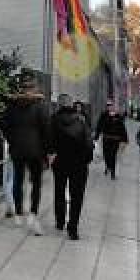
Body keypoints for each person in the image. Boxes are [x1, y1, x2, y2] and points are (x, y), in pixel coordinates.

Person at [1, 83, 49, 234]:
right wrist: (47, 150)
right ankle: (33, 213)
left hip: (17, 150)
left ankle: (18, 215)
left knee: (17, 180)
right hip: (36, 151)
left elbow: (4, 126)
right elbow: (46, 129)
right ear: (34, 90)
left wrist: (12, 141)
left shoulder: (12, 106)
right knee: (36, 183)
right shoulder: (40, 107)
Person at [46, 93, 93, 240]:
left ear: (59, 105)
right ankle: (72, 228)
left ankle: (60, 222)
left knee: (59, 191)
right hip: (79, 164)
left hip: (60, 162)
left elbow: (48, 142)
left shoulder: (53, 120)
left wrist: (51, 155)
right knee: (77, 196)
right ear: (71, 105)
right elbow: (89, 143)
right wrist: (86, 160)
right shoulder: (81, 120)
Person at [92, 100, 129, 179]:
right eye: (108, 105)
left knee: (113, 155)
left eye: (111, 105)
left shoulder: (118, 116)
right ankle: (107, 166)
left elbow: (122, 128)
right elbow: (99, 126)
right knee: (106, 155)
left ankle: (113, 172)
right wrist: (96, 137)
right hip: (106, 139)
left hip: (115, 140)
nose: (110, 107)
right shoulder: (103, 115)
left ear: (113, 107)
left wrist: (125, 138)